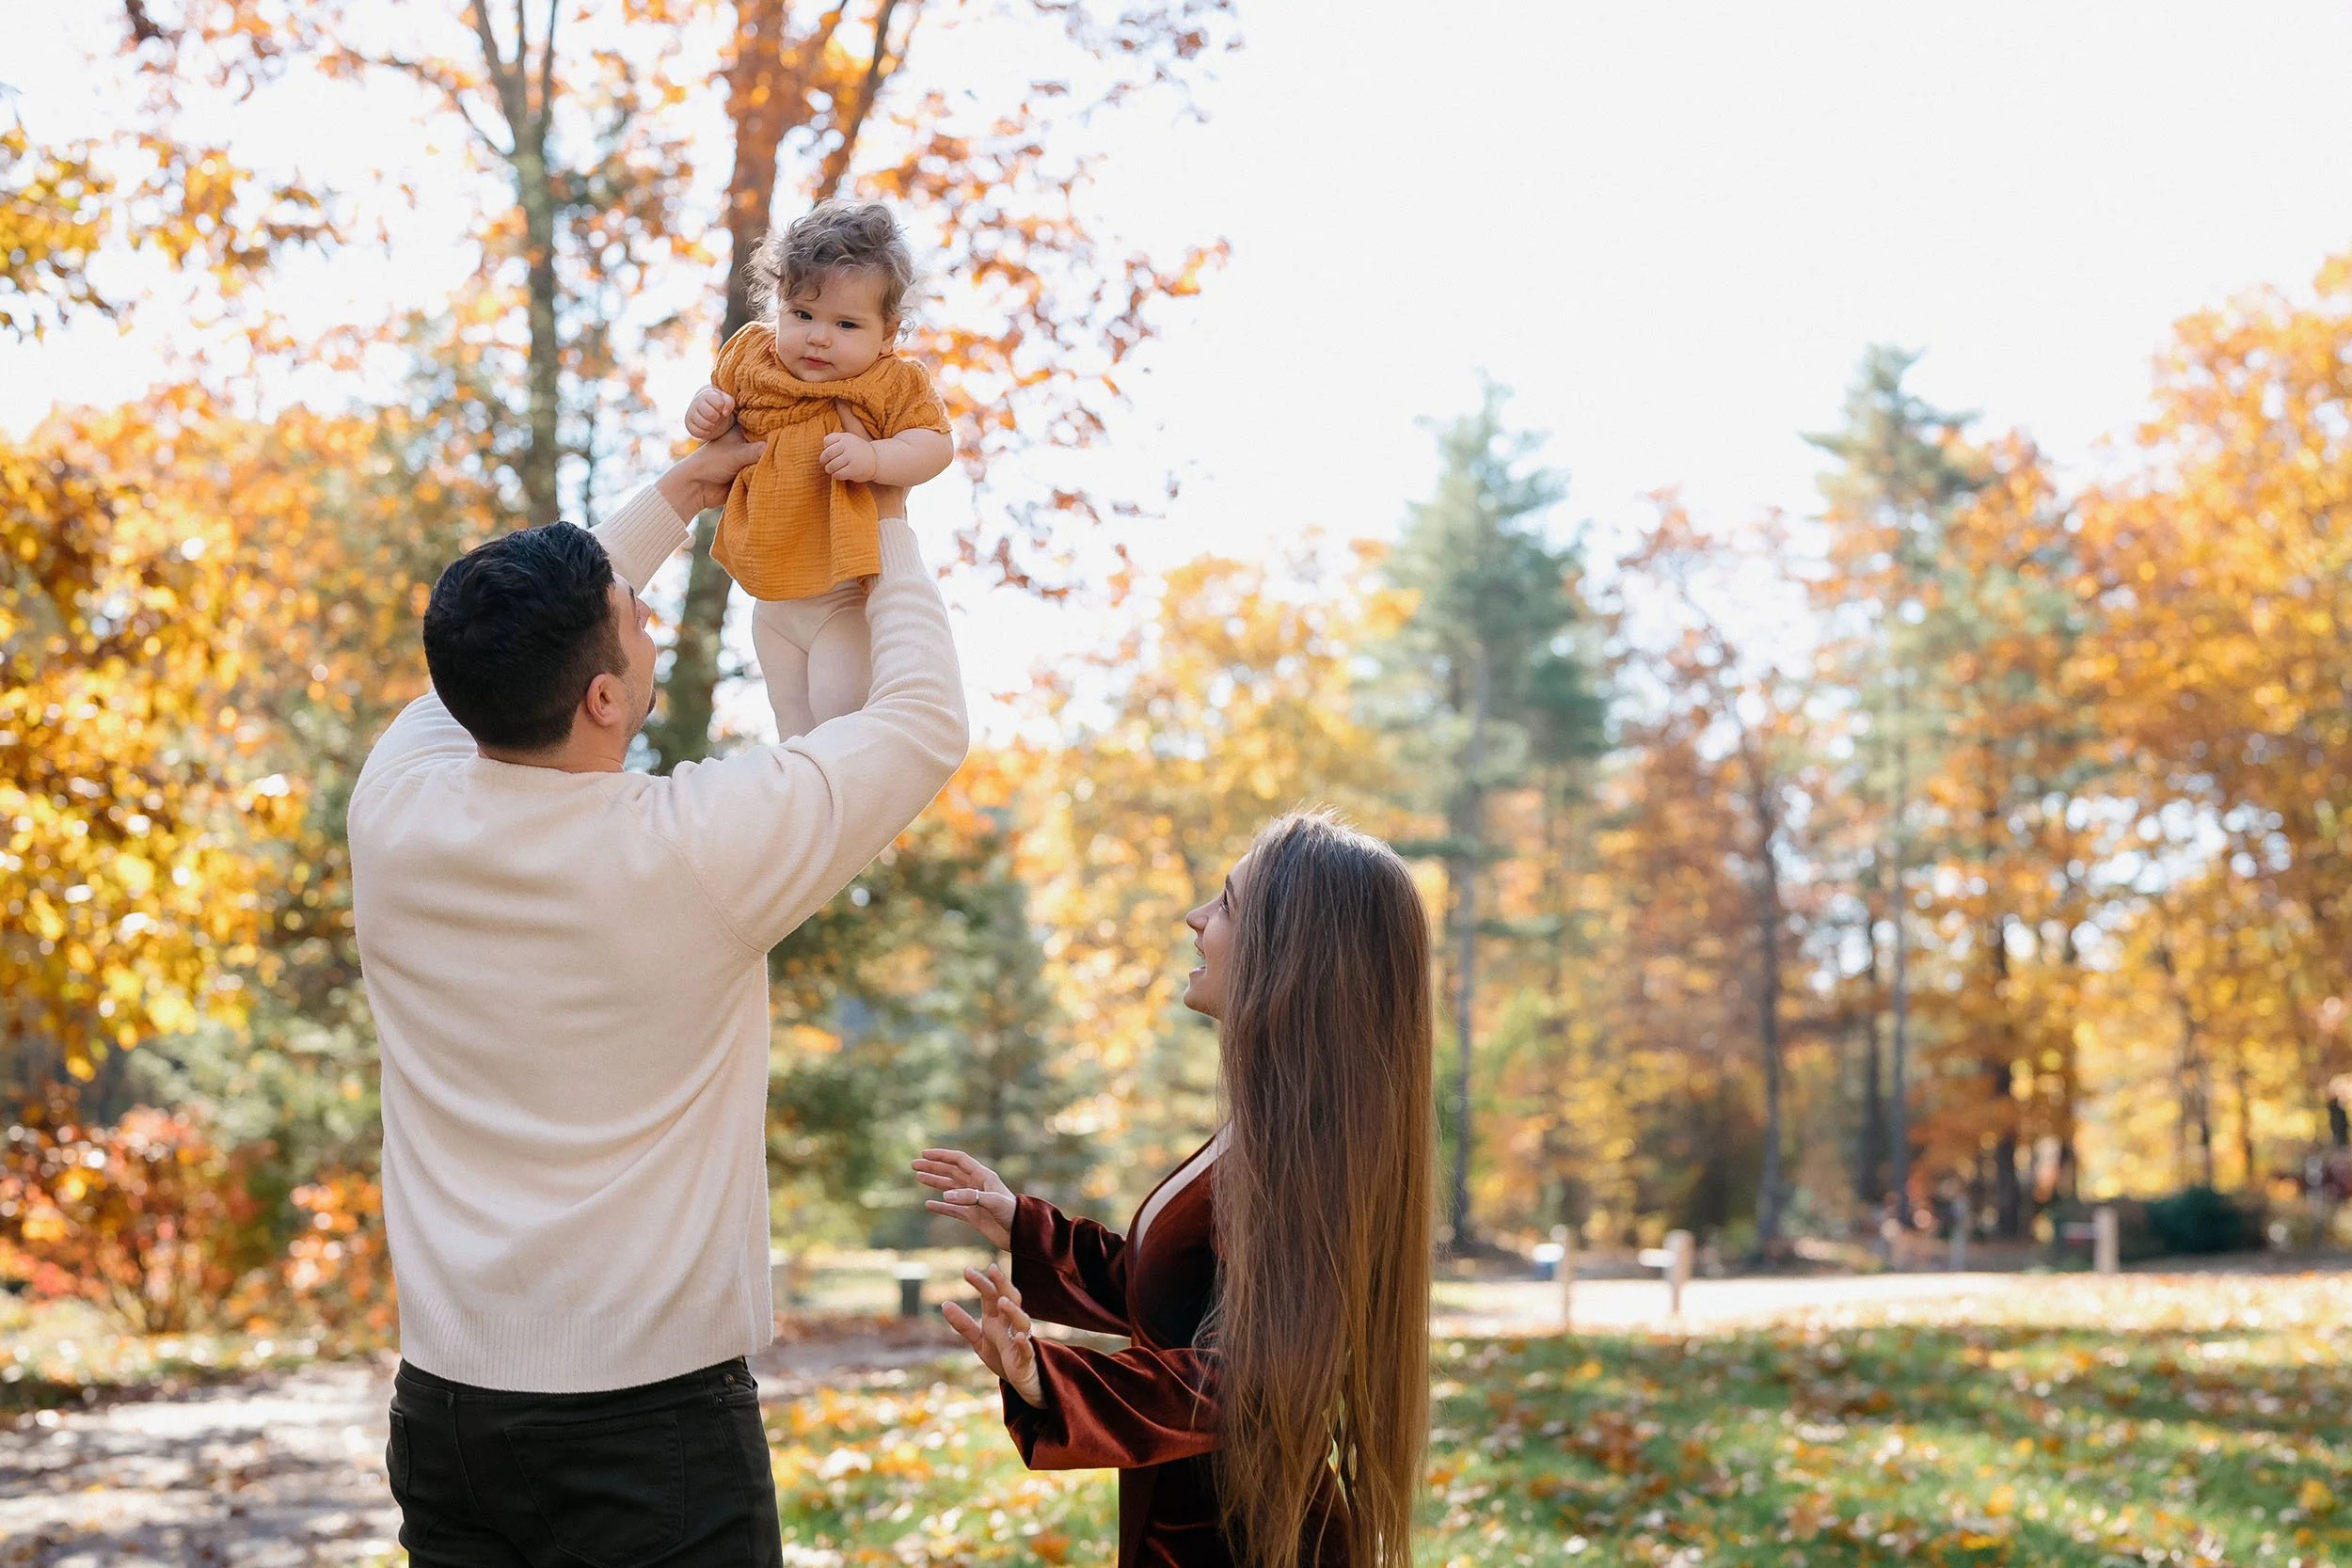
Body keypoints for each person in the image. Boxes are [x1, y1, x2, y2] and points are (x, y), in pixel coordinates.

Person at [349, 420, 968, 1566]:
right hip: (646, 1429)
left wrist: (681, 492)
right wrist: (882, 512)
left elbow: (483, 666)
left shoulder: (395, 810)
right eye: (632, 619)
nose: (646, 615)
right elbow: (921, 721)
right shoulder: (690, 851)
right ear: (601, 698)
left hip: (447, 1412)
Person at [914, 812, 1435, 1568]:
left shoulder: (1307, 1156)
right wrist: (1026, 1228)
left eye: (1225, 903)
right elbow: (1173, 1299)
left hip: (1241, 1540)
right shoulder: (1265, 1128)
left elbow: (1252, 1379)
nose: (1196, 919)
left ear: (1289, 952)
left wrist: (1047, 1377)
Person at [684, 199, 955, 740]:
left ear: (887, 333)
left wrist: (877, 458)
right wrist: (705, 412)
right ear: (777, 305)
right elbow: (722, 419)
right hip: (772, 595)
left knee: (839, 718)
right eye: (802, 314)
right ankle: (803, 820)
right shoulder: (752, 359)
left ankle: (852, 819)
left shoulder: (889, 381)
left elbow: (935, 445)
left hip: (843, 593)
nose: (818, 337)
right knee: (791, 727)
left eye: (846, 323)